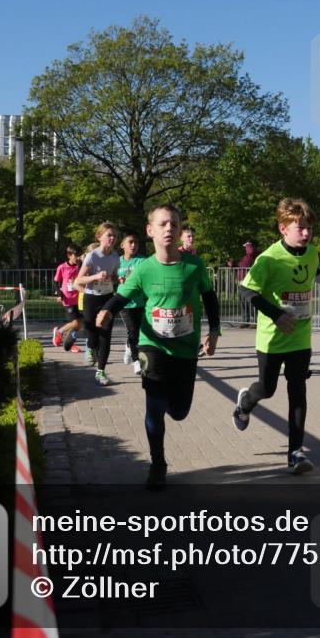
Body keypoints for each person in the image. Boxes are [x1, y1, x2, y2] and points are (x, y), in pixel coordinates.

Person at [98, 204, 220, 490]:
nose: (169, 229)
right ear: (150, 230)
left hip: (186, 349)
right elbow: (122, 296)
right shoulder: (143, 269)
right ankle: (157, 464)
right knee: (154, 406)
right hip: (151, 344)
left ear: (179, 231)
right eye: (163, 224)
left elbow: (210, 298)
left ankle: (167, 402)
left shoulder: (194, 265)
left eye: (174, 224)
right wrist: (106, 310)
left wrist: (214, 332)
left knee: (179, 411)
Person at [231, 198, 320, 474]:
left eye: (310, 228)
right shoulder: (269, 258)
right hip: (272, 338)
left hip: (300, 336)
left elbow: (315, 272)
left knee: (298, 391)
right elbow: (246, 290)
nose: (307, 233)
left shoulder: (312, 252)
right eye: (300, 228)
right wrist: (276, 315)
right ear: (283, 228)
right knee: (267, 389)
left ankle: (295, 453)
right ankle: (245, 403)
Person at [75, 224, 121, 386]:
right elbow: (79, 280)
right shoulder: (92, 256)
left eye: (115, 236)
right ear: (99, 237)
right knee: (92, 334)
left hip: (107, 298)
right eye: (109, 235)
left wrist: (117, 279)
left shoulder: (115, 257)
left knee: (105, 335)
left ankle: (100, 371)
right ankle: (90, 346)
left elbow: (114, 276)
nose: (113, 238)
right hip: (91, 298)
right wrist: (95, 277)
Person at [117, 231, 147, 374]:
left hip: (140, 303)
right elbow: (111, 278)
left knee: (138, 332)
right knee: (133, 331)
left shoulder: (142, 261)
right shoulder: (117, 261)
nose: (133, 245)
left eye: (136, 243)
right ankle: (136, 361)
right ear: (122, 245)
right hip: (124, 303)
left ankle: (129, 347)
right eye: (130, 242)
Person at [53, 245, 83, 350]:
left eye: (79, 255)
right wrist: (60, 294)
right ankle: (59, 332)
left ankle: (69, 343)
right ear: (69, 255)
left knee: (78, 325)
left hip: (79, 298)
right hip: (68, 299)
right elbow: (56, 282)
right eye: (76, 255)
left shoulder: (80, 266)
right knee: (76, 323)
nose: (78, 258)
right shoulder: (62, 267)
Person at [237, 240, 257, 326]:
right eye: (246, 247)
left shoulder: (255, 255)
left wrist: (250, 248)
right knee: (243, 302)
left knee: (252, 301)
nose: (246, 248)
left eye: (247, 246)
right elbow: (241, 265)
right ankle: (245, 321)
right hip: (242, 281)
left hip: (250, 282)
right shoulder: (246, 257)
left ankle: (255, 321)